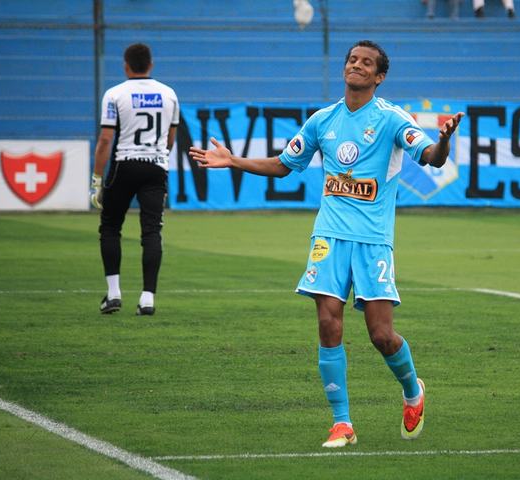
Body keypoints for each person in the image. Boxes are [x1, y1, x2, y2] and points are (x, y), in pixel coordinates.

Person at [190, 40, 463, 447]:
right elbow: (283, 164)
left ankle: (412, 391)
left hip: (373, 241)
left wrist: (443, 141)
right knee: (327, 322)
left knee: (381, 335)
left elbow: (432, 157)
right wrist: (234, 161)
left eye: (366, 63)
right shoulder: (323, 120)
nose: (357, 65)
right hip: (329, 236)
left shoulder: (392, 119)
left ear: (379, 76)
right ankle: (342, 423)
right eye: (352, 59)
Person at [90, 43, 180, 316]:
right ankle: (148, 298)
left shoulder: (115, 94)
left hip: (125, 165)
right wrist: (159, 159)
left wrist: (97, 179)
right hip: (155, 167)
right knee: (151, 232)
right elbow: (170, 139)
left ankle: (114, 294)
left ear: (126, 66)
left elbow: (106, 139)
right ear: (151, 64)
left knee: (110, 227)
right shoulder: (169, 94)